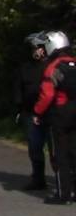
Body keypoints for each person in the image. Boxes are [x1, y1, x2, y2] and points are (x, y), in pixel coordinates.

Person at [32, 32, 76, 204]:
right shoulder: (74, 63)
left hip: (60, 113)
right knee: (74, 151)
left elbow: (47, 95)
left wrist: (37, 112)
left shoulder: (53, 67)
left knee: (60, 154)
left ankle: (63, 194)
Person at [14, 33, 51, 190]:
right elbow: (18, 89)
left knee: (57, 149)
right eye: (33, 48)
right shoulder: (25, 68)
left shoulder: (52, 66)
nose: (35, 51)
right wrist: (19, 109)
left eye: (37, 48)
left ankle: (63, 180)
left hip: (51, 113)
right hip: (30, 113)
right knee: (35, 147)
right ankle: (38, 178)